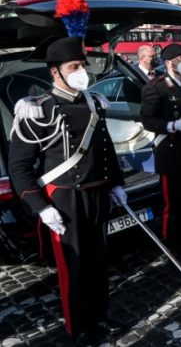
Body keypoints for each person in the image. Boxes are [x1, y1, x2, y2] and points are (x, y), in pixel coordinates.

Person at [8, 37, 127, 346]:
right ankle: (80, 326)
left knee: (98, 262)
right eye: (74, 67)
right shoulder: (37, 110)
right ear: (55, 72)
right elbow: (19, 168)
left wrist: (116, 183)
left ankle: (100, 315)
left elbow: (106, 150)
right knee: (73, 268)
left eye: (82, 66)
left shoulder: (93, 102)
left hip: (97, 194)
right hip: (64, 200)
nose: (81, 72)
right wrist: (41, 207)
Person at [140, 43, 181, 266]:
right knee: (174, 206)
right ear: (168, 63)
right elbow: (147, 120)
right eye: (180, 58)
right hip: (171, 155)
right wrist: (175, 125)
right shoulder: (156, 87)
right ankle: (173, 247)